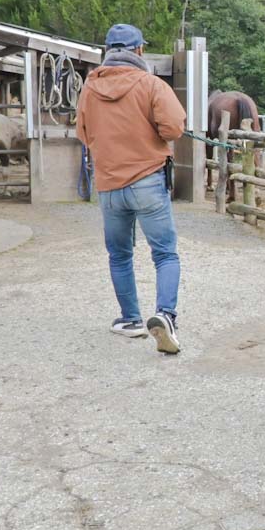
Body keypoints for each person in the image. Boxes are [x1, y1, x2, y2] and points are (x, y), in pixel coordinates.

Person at [75, 23, 186, 354]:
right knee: (164, 253)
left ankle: (130, 320)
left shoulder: (89, 89)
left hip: (108, 184)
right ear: (139, 51)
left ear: (108, 51)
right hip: (148, 179)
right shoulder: (151, 84)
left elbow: (83, 133)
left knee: (119, 254)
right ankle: (165, 315)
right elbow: (175, 128)